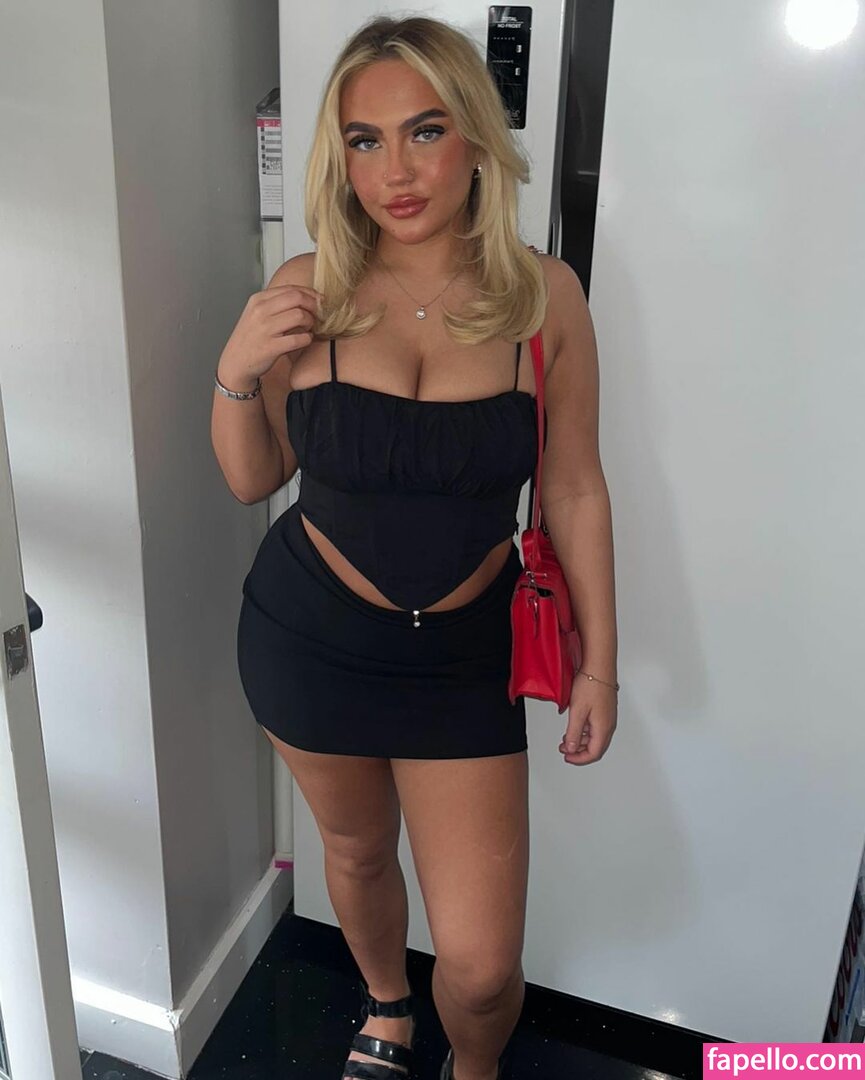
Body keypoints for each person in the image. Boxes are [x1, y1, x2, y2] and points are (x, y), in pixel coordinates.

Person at [210, 14, 618, 1080]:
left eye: (424, 131)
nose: (394, 171)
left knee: (480, 967)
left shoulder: (543, 297)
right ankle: (387, 1005)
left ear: (475, 139)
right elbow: (254, 477)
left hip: (463, 661)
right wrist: (235, 371)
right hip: (308, 640)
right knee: (352, 854)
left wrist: (600, 667)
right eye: (365, 140)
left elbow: (572, 484)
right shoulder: (310, 286)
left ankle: (473, 1066)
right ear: (339, 158)